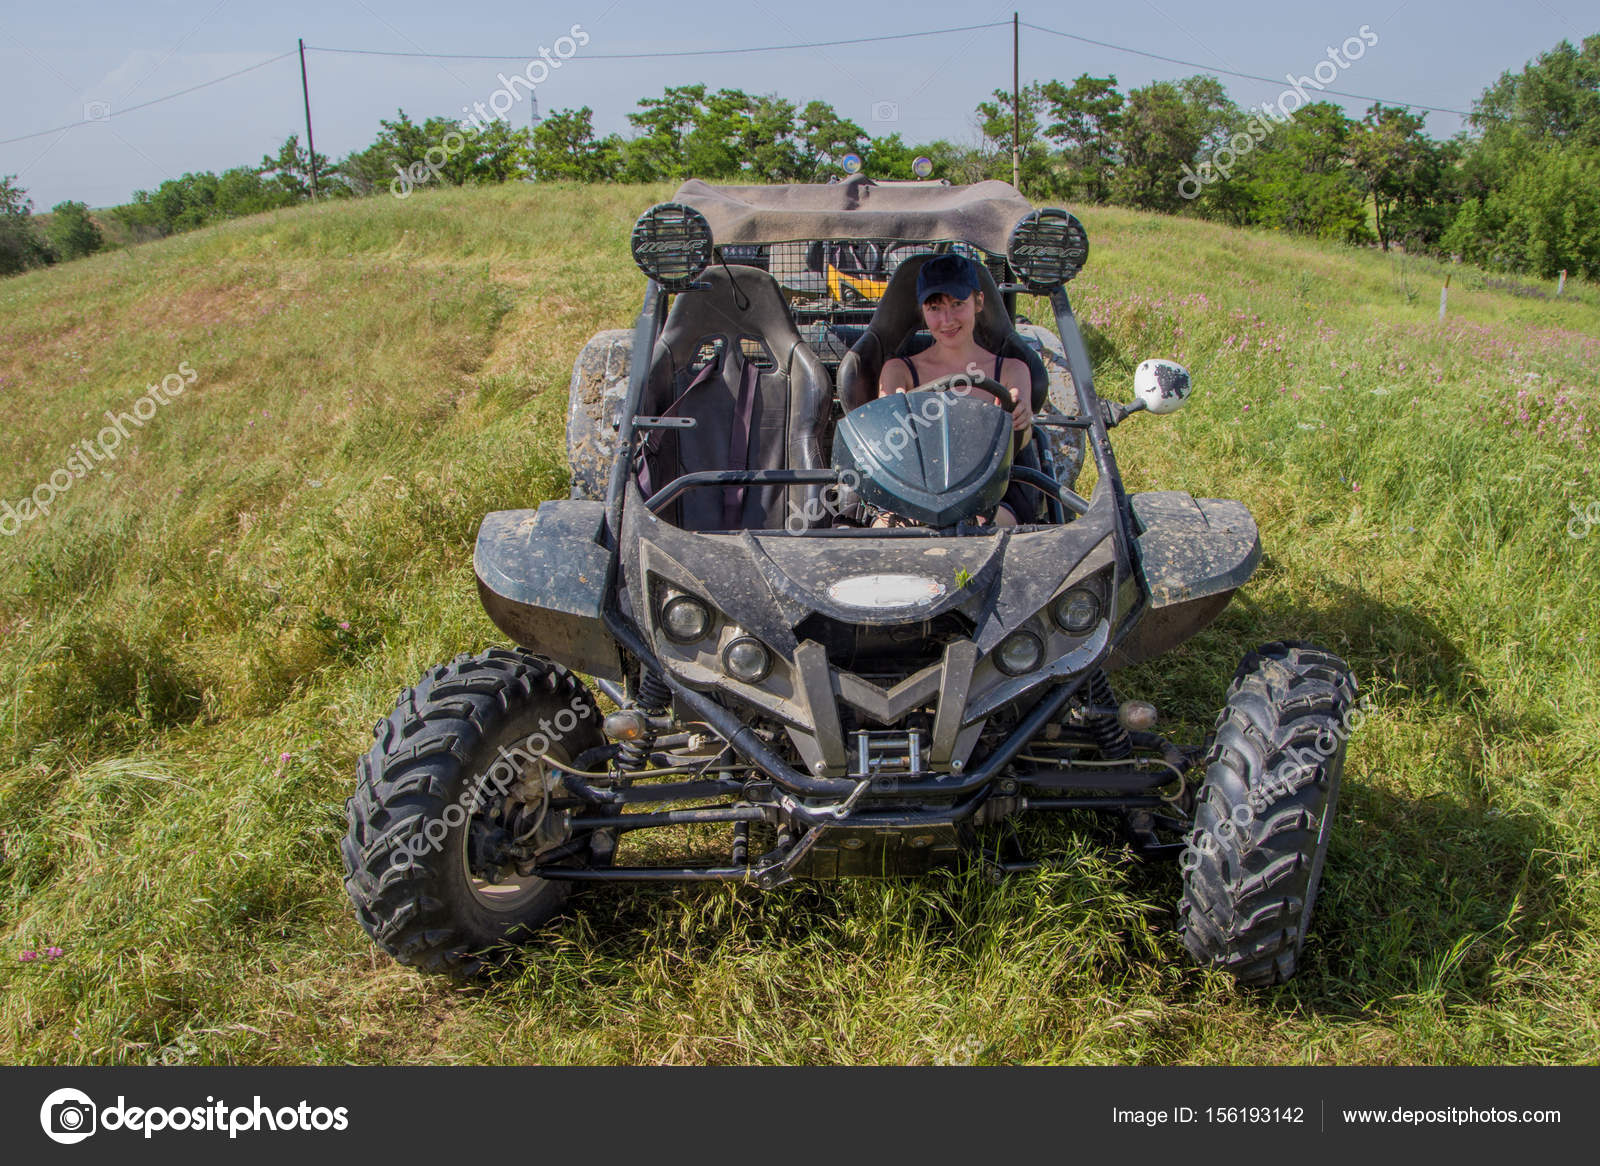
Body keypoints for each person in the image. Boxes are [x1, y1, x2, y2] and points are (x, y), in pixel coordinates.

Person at [877, 253, 1036, 525]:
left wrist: (1021, 417)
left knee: (981, 524)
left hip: (991, 492)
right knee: (883, 529)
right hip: (912, 490)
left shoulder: (1012, 370)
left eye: (957, 304)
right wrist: (893, 415)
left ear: (979, 302)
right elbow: (888, 441)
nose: (947, 320)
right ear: (922, 311)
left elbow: (1023, 436)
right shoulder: (898, 370)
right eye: (935, 308)